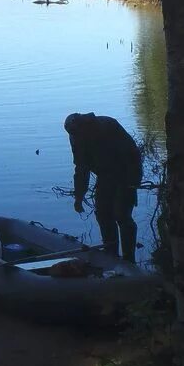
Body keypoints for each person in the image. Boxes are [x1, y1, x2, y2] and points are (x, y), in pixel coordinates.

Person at [63, 112, 141, 263]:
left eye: (77, 134)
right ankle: (110, 254)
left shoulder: (108, 126)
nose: (76, 137)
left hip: (126, 172)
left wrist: (132, 183)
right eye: (73, 135)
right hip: (105, 176)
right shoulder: (76, 138)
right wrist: (79, 197)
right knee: (103, 214)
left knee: (122, 215)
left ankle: (129, 260)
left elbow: (132, 155)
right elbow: (81, 170)